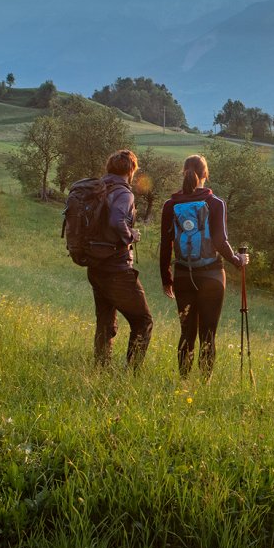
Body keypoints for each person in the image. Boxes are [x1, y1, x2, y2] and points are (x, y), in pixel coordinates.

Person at [159, 153, 248, 378]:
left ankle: (183, 381)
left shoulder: (171, 204)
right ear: (205, 174)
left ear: (184, 172)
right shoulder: (215, 203)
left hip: (182, 274)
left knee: (186, 332)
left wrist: (165, 276)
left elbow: (165, 243)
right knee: (208, 333)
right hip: (212, 276)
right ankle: (205, 383)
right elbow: (220, 241)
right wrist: (238, 261)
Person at [88, 149, 153, 369]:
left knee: (105, 321)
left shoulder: (98, 189)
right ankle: (132, 373)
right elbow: (117, 220)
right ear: (131, 170)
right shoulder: (124, 193)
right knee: (143, 321)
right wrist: (130, 236)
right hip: (116, 267)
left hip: (95, 266)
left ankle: (101, 368)